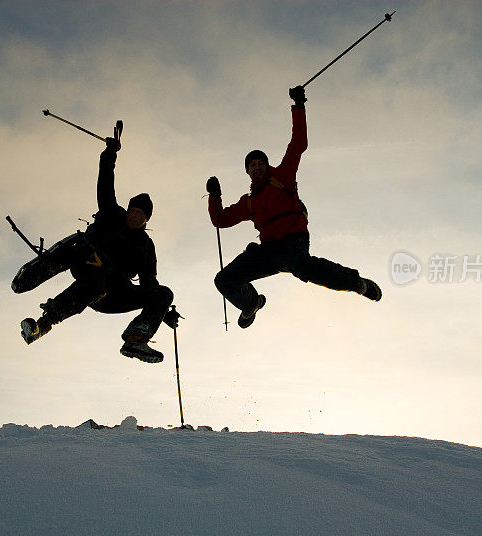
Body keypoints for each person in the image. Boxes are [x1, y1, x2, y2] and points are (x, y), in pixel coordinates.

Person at [206, 86, 381, 329]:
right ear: (247, 171)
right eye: (251, 165)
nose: (256, 167)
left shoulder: (283, 176)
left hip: (292, 242)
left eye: (260, 163)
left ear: (267, 166)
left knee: (303, 266)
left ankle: (358, 284)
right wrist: (214, 197)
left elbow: (298, 143)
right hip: (268, 251)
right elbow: (221, 220)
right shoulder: (249, 202)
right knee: (224, 279)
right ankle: (250, 303)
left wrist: (298, 106)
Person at [20, 137, 178, 363]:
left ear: (146, 220)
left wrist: (161, 312)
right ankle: (42, 323)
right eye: (132, 210)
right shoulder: (112, 215)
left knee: (164, 293)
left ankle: (136, 339)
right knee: (99, 269)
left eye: (140, 214)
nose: (134, 215)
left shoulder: (145, 246)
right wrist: (109, 154)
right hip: (90, 270)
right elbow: (105, 183)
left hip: (116, 294)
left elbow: (148, 283)